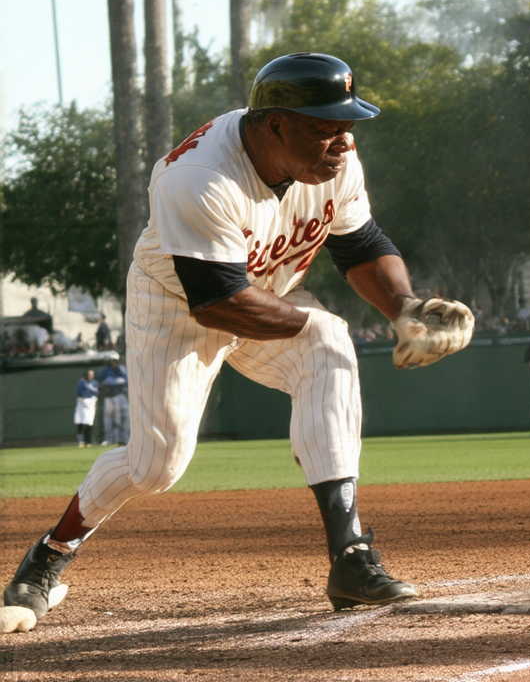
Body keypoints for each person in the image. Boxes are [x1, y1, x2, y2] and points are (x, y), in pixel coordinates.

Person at [1, 52, 474, 629]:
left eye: (347, 126)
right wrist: (313, 320)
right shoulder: (198, 177)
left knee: (328, 350)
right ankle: (48, 555)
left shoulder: (334, 161)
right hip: (178, 306)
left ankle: (350, 557)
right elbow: (218, 300)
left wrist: (406, 308)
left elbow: (360, 244)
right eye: (328, 128)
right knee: (157, 466)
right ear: (276, 124)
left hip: (266, 291)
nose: (344, 143)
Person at [97, 358, 130, 446]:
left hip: (121, 396)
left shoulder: (120, 370)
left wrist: (118, 381)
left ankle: (124, 438)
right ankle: (109, 439)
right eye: (112, 362)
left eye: (115, 362)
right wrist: (118, 381)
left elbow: (126, 380)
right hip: (110, 397)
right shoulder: (106, 371)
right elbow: (108, 382)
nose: (114, 364)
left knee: (124, 418)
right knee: (109, 419)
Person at [74, 370, 99, 448]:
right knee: (80, 422)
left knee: (89, 423)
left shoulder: (94, 383)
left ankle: (89, 441)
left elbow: (96, 394)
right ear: (86, 375)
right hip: (82, 403)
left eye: (92, 374)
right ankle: (80, 441)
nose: (91, 376)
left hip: (91, 403)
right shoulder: (81, 382)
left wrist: (94, 401)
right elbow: (79, 393)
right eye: (90, 374)